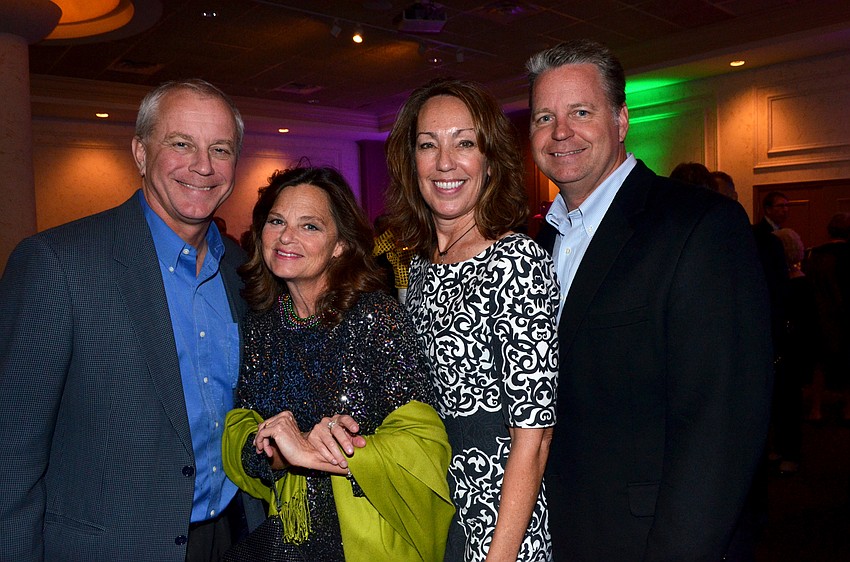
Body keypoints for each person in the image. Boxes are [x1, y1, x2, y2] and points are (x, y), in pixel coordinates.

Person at [526, 40, 773, 561]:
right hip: (558, 535)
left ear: (621, 121)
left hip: (650, 541)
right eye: (544, 116)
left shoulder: (698, 227)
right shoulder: (535, 245)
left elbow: (721, 426)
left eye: (581, 112)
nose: (560, 132)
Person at [0, 79, 264, 561]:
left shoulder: (242, 273)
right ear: (141, 153)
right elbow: (10, 457)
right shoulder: (58, 264)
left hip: (232, 538)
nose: (202, 166)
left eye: (220, 149)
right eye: (181, 144)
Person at [223, 166, 453, 561]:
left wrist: (338, 453)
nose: (286, 237)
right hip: (290, 540)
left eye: (309, 226)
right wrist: (278, 449)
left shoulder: (374, 317)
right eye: (277, 221)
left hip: (371, 541)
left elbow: (425, 443)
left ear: (340, 245)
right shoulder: (262, 324)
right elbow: (243, 435)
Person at [385, 77, 560, 561]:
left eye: (465, 143)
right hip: (433, 507)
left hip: (497, 526)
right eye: (428, 145)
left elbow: (536, 438)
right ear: (411, 161)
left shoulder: (516, 262)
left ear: (489, 161)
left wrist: (498, 556)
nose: (445, 162)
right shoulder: (421, 265)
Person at [770, 228, 817, 474]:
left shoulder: (799, 283)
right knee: (781, 403)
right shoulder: (784, 281)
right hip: (784, 349)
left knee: (789, 404)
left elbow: (805, 325)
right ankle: (781, 448)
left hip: (791, 351)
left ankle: (790, 452)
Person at [805, 212, 850, 423]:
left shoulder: (813, 254)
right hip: (843, 317)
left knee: (819, 364)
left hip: (819, 316)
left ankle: (815, 409)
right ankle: (848, 409)